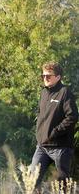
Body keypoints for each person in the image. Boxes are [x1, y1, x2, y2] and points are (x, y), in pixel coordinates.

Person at [31, 61, 78, 190]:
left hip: (60, 148)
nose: (45, 78)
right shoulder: (43, 93)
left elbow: (72, 117)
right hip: (42, 146)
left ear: (58, 77)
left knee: (62, 185)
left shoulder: (65, 92)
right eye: (43, 76)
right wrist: (40, 133)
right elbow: (40, 114)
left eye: (48, 76)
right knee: (32, 180)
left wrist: (55, 132)